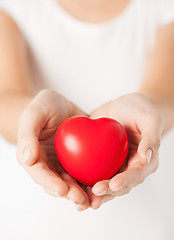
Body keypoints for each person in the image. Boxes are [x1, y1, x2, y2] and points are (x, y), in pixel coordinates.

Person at [0, 0, 174, 239]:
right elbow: (5, 96)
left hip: (146, 228)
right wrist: (32, 120)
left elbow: (165, 95)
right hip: (30, 227)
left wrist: (148, 114)